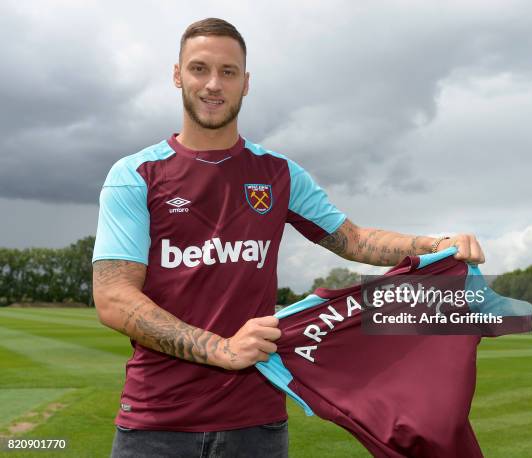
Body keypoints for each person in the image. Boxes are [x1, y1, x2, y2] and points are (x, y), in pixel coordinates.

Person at [92, 17, 485, 458]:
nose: (213, 84)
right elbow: (113, 297)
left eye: (228, 72)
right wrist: (221, 349)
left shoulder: (277, 173)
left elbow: (353, 240)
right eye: (199, 68)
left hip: (255, 424)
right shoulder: (136, 175)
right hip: (156, 424)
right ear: (177, 74)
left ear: (246, 82)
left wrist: (435, 246)